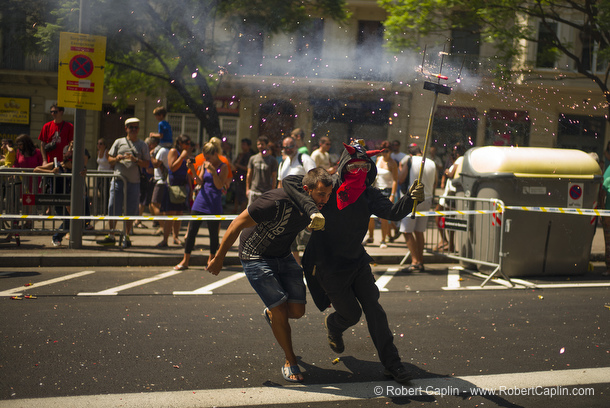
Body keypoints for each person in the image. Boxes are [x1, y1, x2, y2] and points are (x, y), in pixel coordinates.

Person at [282, 140, 424, 384]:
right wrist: (311, 208)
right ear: (344, 166)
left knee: (375, 310)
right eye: (353, 167)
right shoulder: (329, 185)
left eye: (363, 168)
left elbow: (392, 213)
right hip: (328, 266)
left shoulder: (368, 193)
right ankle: (335, 324)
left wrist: (411, 198)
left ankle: (393, 365)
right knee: (351, 314)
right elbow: (289, 182)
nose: (358, 172)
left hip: (357, 261)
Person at [207, 168, 332, 383]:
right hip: (255, 255)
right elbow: (236, 223)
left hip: (283, 255)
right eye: (321, 194)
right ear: (306, 190)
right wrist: (219, 257)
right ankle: (290, 360)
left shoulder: (315, 208)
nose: (325, 200)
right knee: (280, 309)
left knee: (297, 311)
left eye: (328, 195)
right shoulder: (275, 202)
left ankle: (273, 313)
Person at [174, 141, 229, 270]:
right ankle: (185, 260)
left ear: (215, 154)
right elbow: (199, 182)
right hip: (201, 200)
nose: (206, 159)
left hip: (214, 202)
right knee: (192, 231)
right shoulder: (204, 165)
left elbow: (220, 186)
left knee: (213, 234)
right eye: (205, 157)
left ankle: (211, 259)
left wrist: (214, 172)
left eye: (208, 157)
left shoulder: (223, 166)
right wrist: (193, 169)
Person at [97, 117, 151, 248]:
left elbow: (147, 164)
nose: (133, 130)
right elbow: (109, 159)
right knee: (113, 206)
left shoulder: (142, 145)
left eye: (136, 127)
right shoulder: (118, 142)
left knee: (131, 210)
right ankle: (111, 235)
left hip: (134, 182)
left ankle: (126, 235)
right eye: (131, 127)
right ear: (126, 128)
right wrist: (117, 158)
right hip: (118, 180)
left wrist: (135, 160)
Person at [33, 141, 89, 246]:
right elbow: (36, 170)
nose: (74, 166)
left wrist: (84, 172)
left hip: (66, 198)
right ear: (68, 161)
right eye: (73, 163)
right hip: (56, 198)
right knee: (68, 220)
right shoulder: (56, 164)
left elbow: (83, 170)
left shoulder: (71, 169)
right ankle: (56, 237)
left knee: (72, 219)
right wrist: (51, 172)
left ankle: (61, 236)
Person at [397, 144, 437, 272]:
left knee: (407, 231)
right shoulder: (431, 162)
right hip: (428, 198)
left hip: (413, 199)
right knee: (419, 231)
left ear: (410, 153)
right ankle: (420, 260)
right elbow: (435, 182)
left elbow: (401, 179)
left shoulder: (409, 160)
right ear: (420, 152)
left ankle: (415, 261)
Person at [278, 135, 316, 264]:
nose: (288, 149)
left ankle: (310, 265)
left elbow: (315, 180)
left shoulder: (304, 159)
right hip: (288, 207)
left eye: (290, 146)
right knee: (291, 238)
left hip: (303, 206)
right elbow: (280, 184)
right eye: (285, 147)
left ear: (296, 146)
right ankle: (297, 266)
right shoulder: (283, 162)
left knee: (307, 238)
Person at [160, 134, 193, 248]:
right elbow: (172, 167)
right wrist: (181, 157)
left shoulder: (185, 153)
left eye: (189, 143)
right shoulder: (174, 151)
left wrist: (191, 189)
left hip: (182, 187)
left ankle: (175, 237)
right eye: (186, 143)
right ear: (180, 143)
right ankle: (165, 239)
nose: (188, 146)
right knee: (171, 214)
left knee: (179, 214)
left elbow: (188, 173)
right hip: (172, 187)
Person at [366, 141, 398, 248]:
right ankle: (371, 237)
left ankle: (383, 240)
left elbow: (395, 180)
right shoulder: (379, 160)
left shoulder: (393, 163)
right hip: (376, 189)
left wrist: (392, 195)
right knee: (370, 215)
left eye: (387, 151)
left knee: (384, 217)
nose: (384, 153)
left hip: (387, 191)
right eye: (383, 151)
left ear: (390, 152)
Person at [436, 142, 466, 252]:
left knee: (441, 216)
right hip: (450, 193)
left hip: (451, 195)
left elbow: (451, 174)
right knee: (448, 219)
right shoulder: (463, 160)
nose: (454, 154)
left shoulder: (460, 159)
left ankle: (448, 242)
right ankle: (448, 242)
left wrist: (448, 172)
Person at [148, 133, 170, 239]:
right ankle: (163, 226)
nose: (149, 147)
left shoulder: (162, 151)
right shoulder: (162, 150)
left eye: (150, 144)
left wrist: (151, 155)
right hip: (159, 181)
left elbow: (156, 164)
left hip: (161, 182)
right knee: (156, 206)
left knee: (154, 204)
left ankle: (163, 227)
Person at [247, 136, 279, 206]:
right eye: (258, 144)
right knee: (251, 213)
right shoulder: (253, 158)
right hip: (254, 191)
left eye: (262, 144)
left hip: (266, 192)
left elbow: (274, 177)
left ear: (267, 145)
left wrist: (272, 192)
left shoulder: (272, 160)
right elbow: (249, 174)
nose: (260, 146)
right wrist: (247, 189)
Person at [133, 136, 156, 229]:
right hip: (145, 180)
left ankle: (155, 221)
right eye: (154, 145)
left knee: (148, 202)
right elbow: (148, 169)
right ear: (150, 145)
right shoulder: (147, 154)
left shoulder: (147, 153)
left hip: (146, 180)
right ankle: (137, 220)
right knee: (142, 202)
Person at [232, 138, 253, 213]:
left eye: (244, 145)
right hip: (238, 178)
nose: (242, 146)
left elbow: (248, 168)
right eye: (242, 144)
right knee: (237, 195)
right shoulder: (240, 154)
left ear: (249, 146)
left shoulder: (249, 156)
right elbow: (235, 164)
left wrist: (238, 165)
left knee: (243, 197)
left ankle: (242, 212)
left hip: (244, 178)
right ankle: (235, 209)